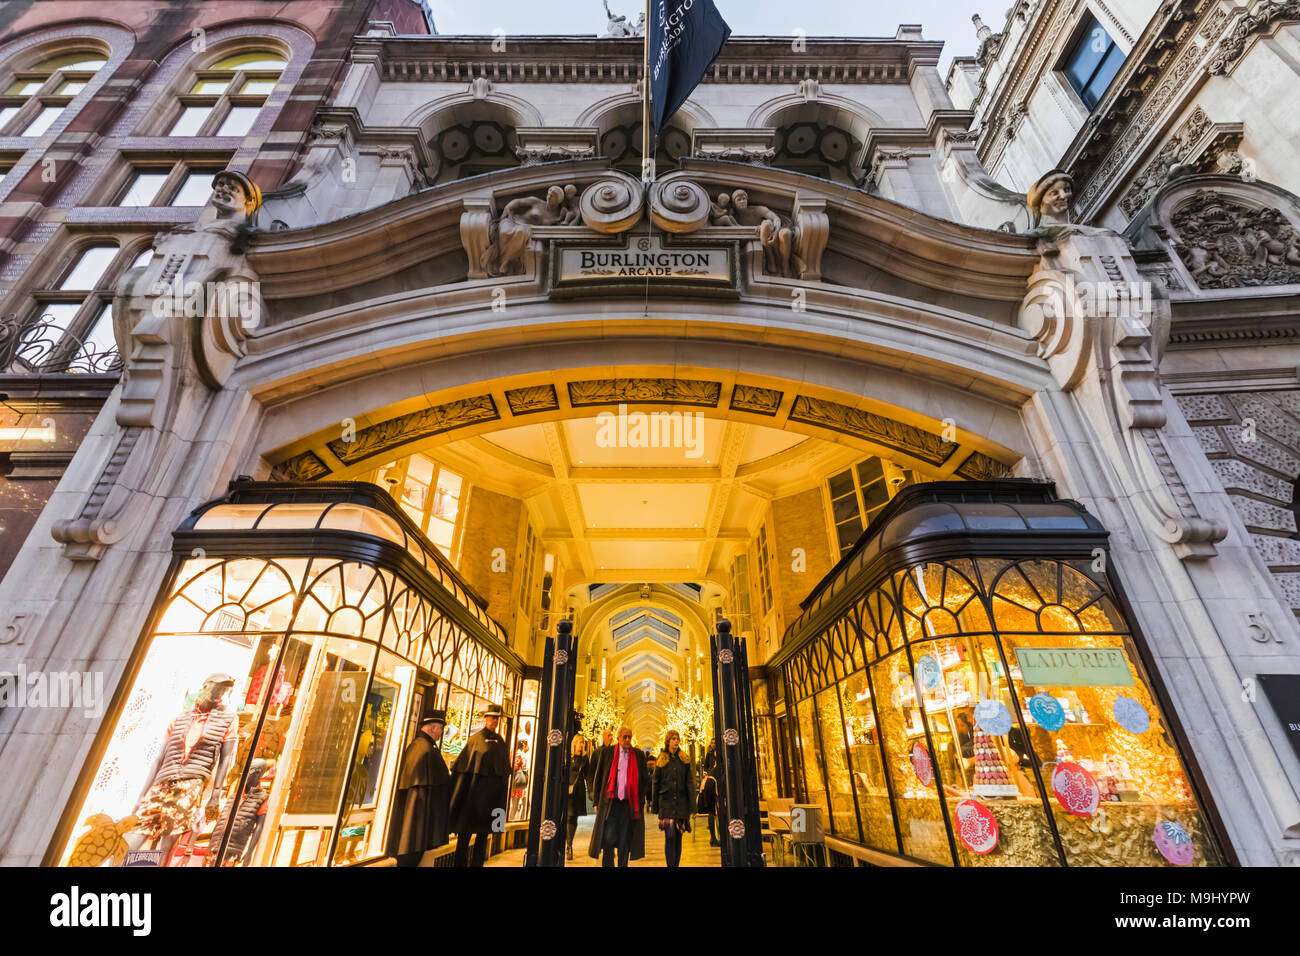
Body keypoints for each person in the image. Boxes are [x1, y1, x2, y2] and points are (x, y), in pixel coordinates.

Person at [385, 709, 450, 867]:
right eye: (440, 728)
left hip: (417, 821)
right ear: (432, 728)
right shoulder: (424, 748)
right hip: (417, 822)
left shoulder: (422, 746)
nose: (441, 732)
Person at [448, 704, 510, 867]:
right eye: (491, 718)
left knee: (483, 838)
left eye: (497, 718)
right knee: (464, 837)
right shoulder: (475, 740)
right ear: (486, 719)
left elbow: (504, 773)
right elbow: (463, 772)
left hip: (490, 800)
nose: (494, 721)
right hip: (472, 800)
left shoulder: (500, 742)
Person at [587, 725, 648, 867]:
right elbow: (598, 778)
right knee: (608, 838)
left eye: (629, 737)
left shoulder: (638, 755)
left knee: (624, 841)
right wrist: (596, 801)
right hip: (611, 804)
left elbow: (645, 779)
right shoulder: (607, 753)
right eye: (624, 737)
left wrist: (641, 798)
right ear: (618, 738)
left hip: (628, 805)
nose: (627, 740)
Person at [652, 730, 693, 868]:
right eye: (673, 739)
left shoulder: (684, 759)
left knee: (678, 837)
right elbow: (655, 782)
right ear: (668, 741)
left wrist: (692, 806)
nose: (676, 741)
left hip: (681, 804)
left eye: (678, 739)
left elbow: (689, 783)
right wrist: (655, 807)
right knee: (670, 837)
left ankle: (676, 864)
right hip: (667, 804)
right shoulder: (662, 759)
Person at [566, 734, 590, 861]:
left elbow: (588, 776)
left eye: (583, 743)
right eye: (580, 742)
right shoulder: (567, 756)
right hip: (567, 791)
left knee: (574, 818)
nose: (582, 745)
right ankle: (569, 845)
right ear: (574, 743)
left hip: (579, 791)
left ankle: (569, 842)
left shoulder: (584, 758)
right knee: (569, 816)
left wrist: (591, 792)